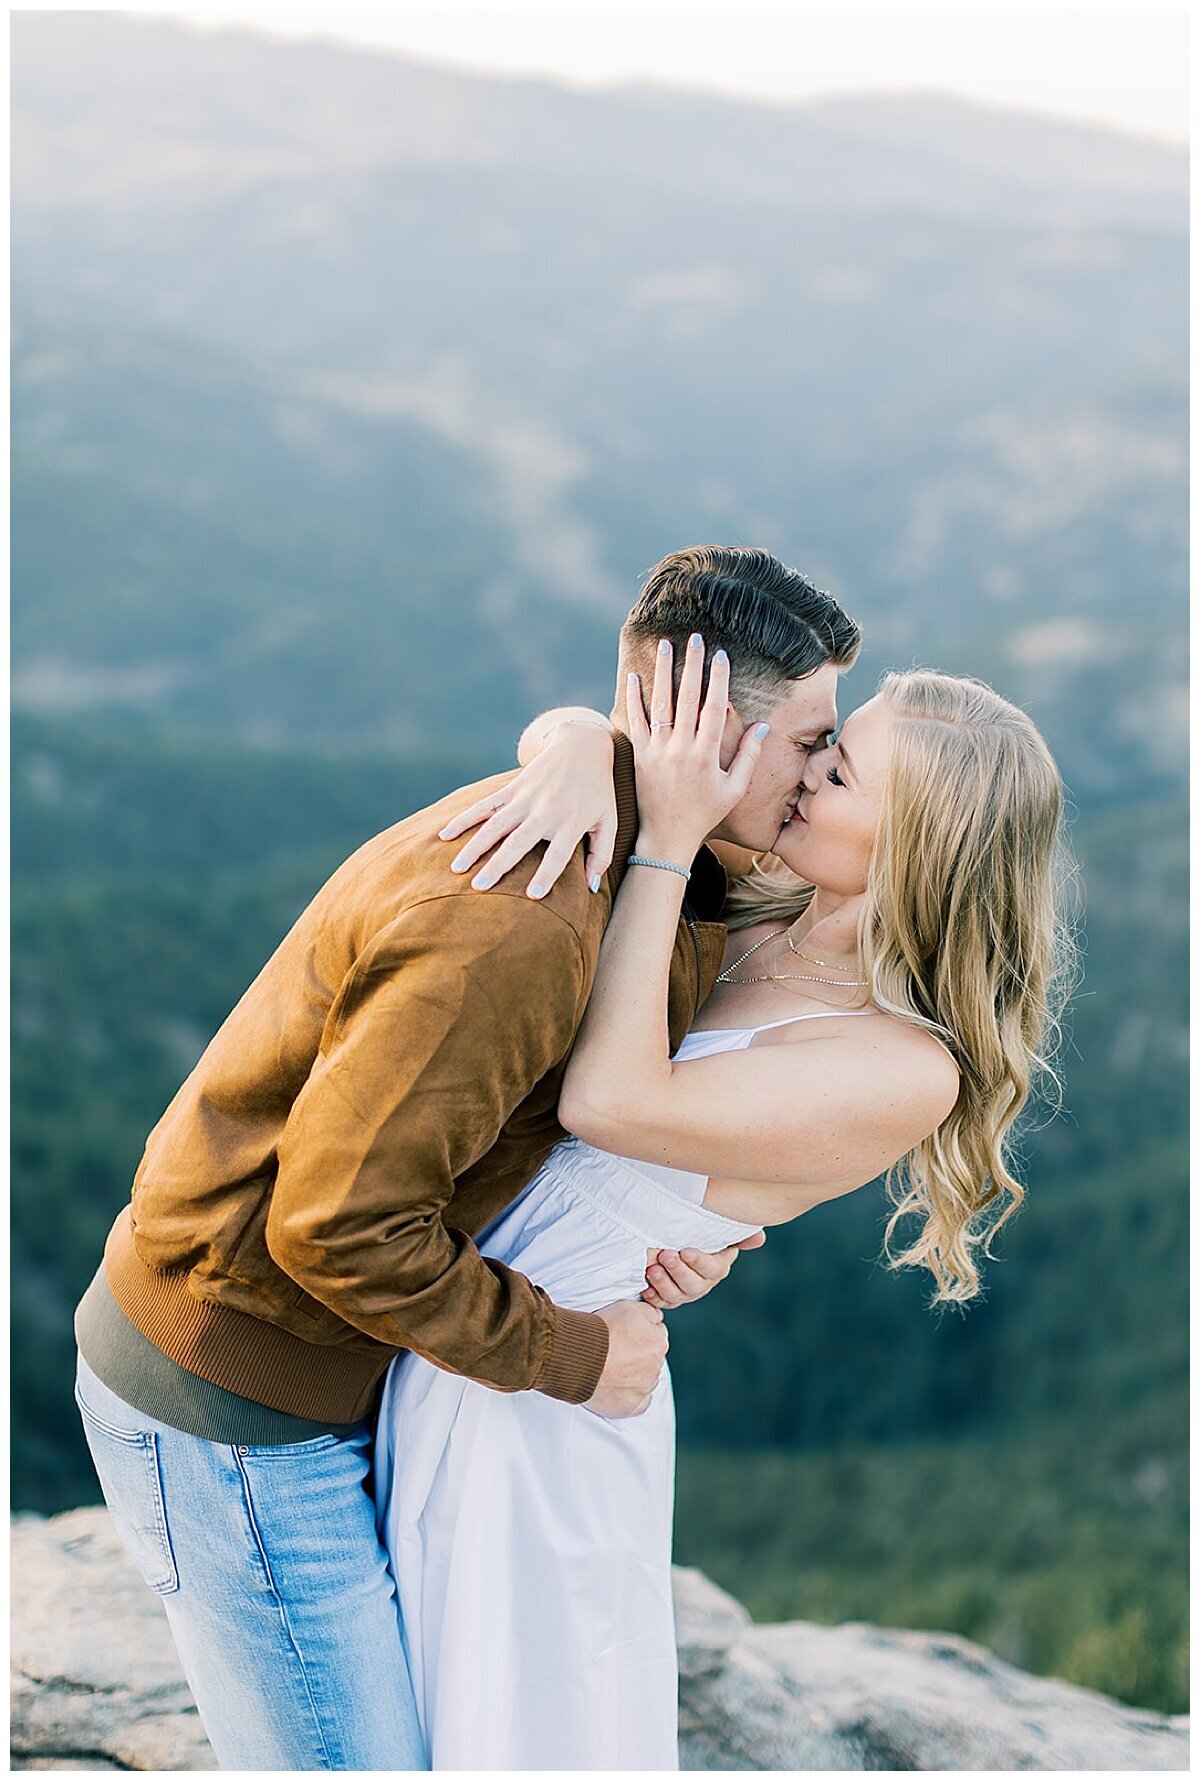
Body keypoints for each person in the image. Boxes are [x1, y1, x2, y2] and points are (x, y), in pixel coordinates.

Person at [71, 545, 861, 1770]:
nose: (824, 770)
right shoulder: (525, 920)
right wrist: (573, 1350)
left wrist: (647, 1244)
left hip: (335, 1389)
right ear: (697, 727)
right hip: (237, 1411)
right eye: (811, 736)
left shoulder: (675, 875)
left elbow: (521, 1139)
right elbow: (334, 1224)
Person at [374, 637, 1072, 1769]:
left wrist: (664, 838)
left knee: (507, 1726)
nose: (803, 772)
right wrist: (569, 751)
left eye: (840, 772)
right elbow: (582, 733)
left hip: (549, 1407)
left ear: (916, 847)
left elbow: (608, 1100)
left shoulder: (903, 1065)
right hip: (467, 1329)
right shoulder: (762, 904)